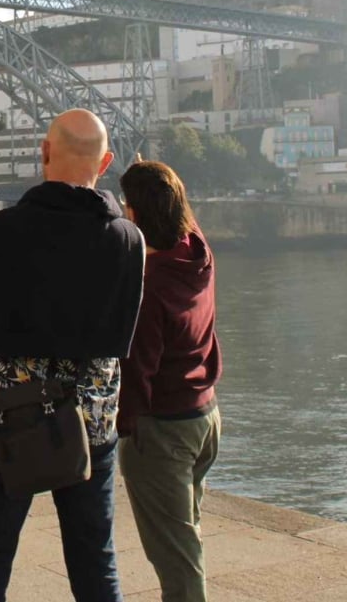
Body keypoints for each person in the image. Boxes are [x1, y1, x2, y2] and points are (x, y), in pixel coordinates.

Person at [0, 109, 146, 602]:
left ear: (43, 151)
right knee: (94, 564)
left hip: (10, 417)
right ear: (104, 163)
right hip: (93, 422)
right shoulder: (130, 240)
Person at [116, 161, 223, 602]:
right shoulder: (198, 252)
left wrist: (125, 428)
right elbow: (179, 212)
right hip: (205, 418)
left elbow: (138, 366)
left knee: (177, 559)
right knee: (186, 539)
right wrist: (152, 175)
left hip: (162, 429)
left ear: (136, 214)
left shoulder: (149, 282)